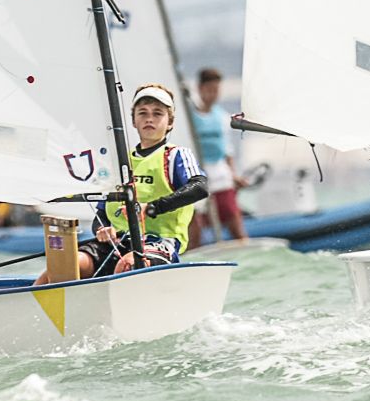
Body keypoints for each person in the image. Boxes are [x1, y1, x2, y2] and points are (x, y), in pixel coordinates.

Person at [36, 84, 206, 283]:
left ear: (170, 122)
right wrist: (102, 230)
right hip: (117, 242)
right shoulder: (118, 162)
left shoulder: (175, 155)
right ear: (134, 121)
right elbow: (101, 213)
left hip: (158, 242)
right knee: (64, 265)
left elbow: (200, 186)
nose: (149, 118)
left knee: (128, 265)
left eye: (157, 113)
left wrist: (152, 208)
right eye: (142, 113)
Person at [187, 67, 249, 244]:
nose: (213, 94)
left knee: (236, 225)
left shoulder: (221, 117)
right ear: (200, 89)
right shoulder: (190, 118)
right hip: (198, 178)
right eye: (209, 90)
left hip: (221, 177)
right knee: (195, 230)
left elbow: (227, 151)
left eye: (216, 90)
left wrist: (234, 175)